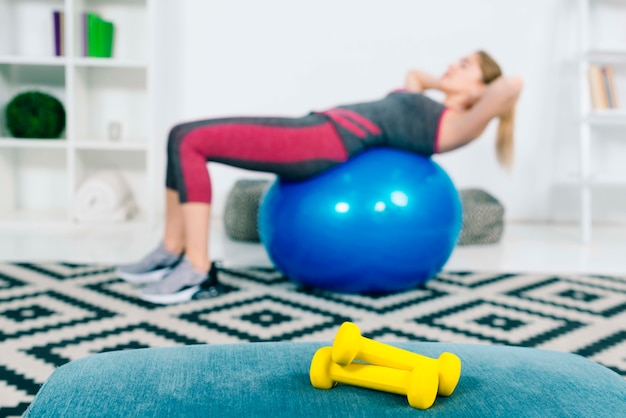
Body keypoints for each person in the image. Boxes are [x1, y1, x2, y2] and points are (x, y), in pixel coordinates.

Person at [116, 50, 523, 305]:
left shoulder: (457, 125)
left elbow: (510, 86)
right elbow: (416, 75)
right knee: (179, 135)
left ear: (480, 89)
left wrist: (474, 99)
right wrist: (453, 82)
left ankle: (198, 268)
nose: (452, 64)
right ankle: (172, 248)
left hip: (320, 142)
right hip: (314, 127)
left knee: (191, 140)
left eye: (465, 65)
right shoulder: (431, 105)